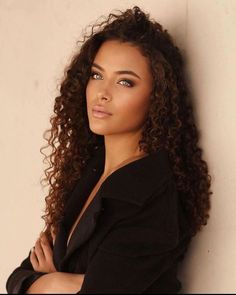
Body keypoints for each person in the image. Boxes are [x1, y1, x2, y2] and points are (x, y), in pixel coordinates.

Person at [6, 6, 212, 294]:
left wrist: (53, 280)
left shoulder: (151, 195)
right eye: (96, 75)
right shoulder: (88, 170)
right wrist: (62, 283)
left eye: (125, 82)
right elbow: (17, 278)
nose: (102, 92)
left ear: (157, 98)